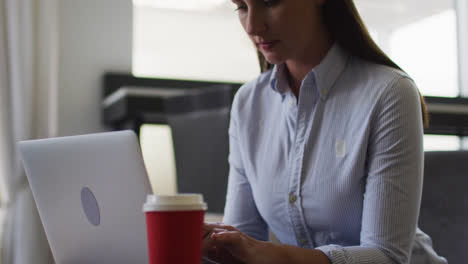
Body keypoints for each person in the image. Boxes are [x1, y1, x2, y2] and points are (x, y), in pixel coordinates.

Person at [202, 0, 447, 263]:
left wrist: (279, 257)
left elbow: (387, 256)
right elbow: (245, 236)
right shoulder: (249, 103)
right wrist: (216, 245)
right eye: (241, 7)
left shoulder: (389, 93)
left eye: (269, 2)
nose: (252, 25)